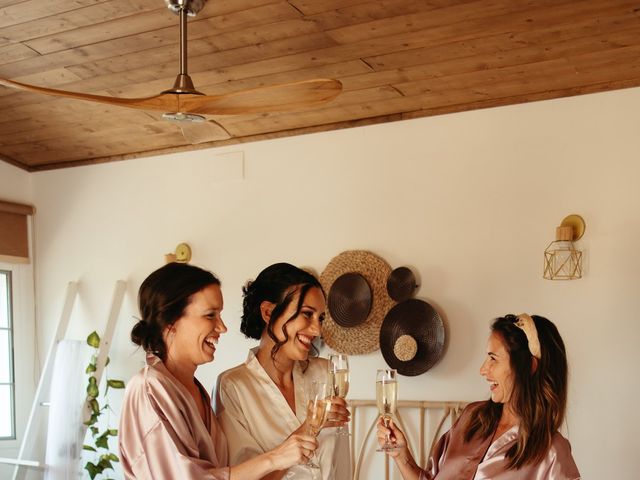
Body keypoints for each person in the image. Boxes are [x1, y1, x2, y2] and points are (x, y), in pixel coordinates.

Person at [118, 262, 318, 479]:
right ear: (170, 321)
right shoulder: (149, 389)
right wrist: (276, 458)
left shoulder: (196, 390)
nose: (222, 327)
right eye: (210, 315)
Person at [377, 314, 581, 480]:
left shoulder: (552, 452)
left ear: (528, 367)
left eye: (493, 358)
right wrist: (401, 455)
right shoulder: (471, 417)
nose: (483, 369)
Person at [215, 263, 351, 479]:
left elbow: (341, 464)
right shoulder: (233, 386)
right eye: (307, 314)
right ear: (268, 312)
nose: (317, 329)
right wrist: (308, 428)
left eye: (320, 318)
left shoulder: (327, 374)